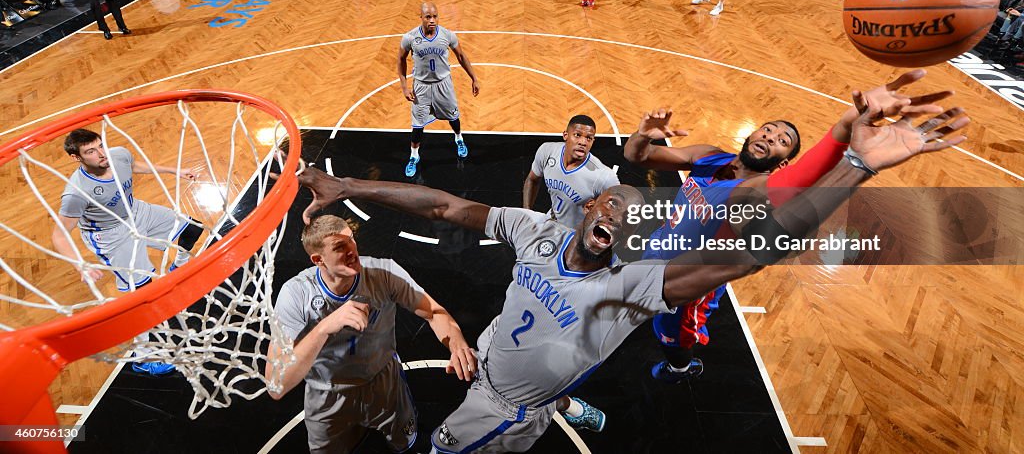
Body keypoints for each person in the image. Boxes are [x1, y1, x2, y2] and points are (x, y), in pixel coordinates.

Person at [284, 73, 968, 453]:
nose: (611, 210)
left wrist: (854, 161)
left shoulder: (640, 281)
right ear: (584, 209)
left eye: (622, 209)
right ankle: (564, 397)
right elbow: (443, 206)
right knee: (503, 337)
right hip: (494, 347)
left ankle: (550, 403)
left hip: (503, 407)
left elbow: (756, 249)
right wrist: (349, 186)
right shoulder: (538, 230)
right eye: (605, 202)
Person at [622, 70, 948, 381]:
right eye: (769, 129)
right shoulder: (709, 156)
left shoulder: (756, 189)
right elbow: (637, 157)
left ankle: (681, 368)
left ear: (783, 162)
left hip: (688, 283)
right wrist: (641, 136)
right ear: (752, 133)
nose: (771, 136)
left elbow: (797, 180)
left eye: (782, 140)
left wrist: (848, 122)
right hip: (654, 250)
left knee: (672, 339)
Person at [265, 215, 477, 453]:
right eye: (339, 247)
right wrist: (325, 327)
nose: (352, 250)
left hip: (383, 382)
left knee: (407, 445)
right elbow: (277, 385)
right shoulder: (295, 294)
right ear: (318, 260)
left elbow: (434, 312)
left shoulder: (384, 272)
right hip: (328, 393)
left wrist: (457, 343)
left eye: (351, 240)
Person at [53, 129, 204, 375]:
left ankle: (178, 266)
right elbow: (59, 234)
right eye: (91, 151)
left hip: (135, 211)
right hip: (110, 235)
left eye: (100, 146)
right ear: (76, 157)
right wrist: (80, 264)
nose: (101, 154)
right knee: (142, 294)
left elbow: (137, 165)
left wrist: (173, 171)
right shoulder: (76, 193)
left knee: (191, 229)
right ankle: (142, 357)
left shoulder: (118, 155)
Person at [397, 2, 480, 177]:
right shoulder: (410, 38)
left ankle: (459, 138)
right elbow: (400, 60)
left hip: (444, 84)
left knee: (454, 117)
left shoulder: (447, 35)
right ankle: (414, 156)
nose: (432, 20)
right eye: (428, 17)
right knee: (417, 125)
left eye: (435, 16)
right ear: (421, 17)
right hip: (421, 86)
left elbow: (461, 56)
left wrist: (474, 77)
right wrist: (404, 87)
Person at [522, 115, 618, 228]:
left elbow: (620, 210)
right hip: (552, 223)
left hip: (579, 235)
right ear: (565, 135)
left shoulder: (604, 176)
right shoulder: (547, 151)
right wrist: (527, 213)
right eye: (577, 135)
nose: (583, 142)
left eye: (589, 138)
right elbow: (532, 180)